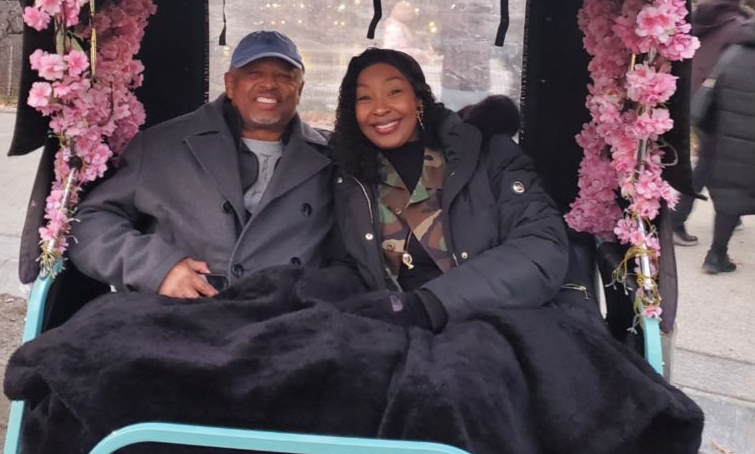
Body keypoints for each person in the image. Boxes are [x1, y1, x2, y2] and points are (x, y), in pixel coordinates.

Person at [69, 30, 334, 297]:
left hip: (295, 313)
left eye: (284, 76)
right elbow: (88, 223)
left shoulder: (334, 156)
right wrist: (157, 269)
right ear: (230, 84)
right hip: (183, 312)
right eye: (254, 73)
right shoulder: (161, 146)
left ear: (300, 90)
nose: (269, 84)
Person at [328, 47, 568, 330]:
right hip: (390, 330)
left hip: (494, 323)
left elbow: (542, 245)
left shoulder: (487, 153)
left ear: (418, 99)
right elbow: (345, 265)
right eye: (365, 98)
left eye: (394, 92)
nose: (380, 108)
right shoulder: (348, 177)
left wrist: (431, 305)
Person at [673, 0, 751, 245]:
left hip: (695, 100)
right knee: (708, 164)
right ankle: (676, 220)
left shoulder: (699, 19)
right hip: (716, 106)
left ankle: (730, 214)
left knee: (713, 161)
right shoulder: (736, 28)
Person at [702, 22, 755, 273]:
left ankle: (716, 255)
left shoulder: (731, 55)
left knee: (730, 202)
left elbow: (706, 103)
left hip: (730, 146)